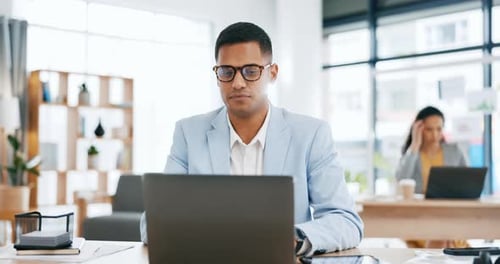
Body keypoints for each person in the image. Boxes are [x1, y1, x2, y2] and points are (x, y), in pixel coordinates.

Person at [140, 22, 363, 256]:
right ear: (217, 76)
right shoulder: (188, 133)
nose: (237, 83)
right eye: (227, 71)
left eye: (251, 71)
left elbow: (346, 221)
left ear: (272, 73)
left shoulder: (310, 134)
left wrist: (294, 238)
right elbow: (152, 224)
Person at [395, 105, 467, 248]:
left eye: (439, 129)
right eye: (429, 129)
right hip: (420, 217)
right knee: (440, 241)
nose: (435, 135)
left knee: (448, 240)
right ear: (419, 129)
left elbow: (467, 182)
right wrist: (415, 144)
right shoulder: (413, 154)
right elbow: (401, 179)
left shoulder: (454, 151)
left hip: (449, 215)